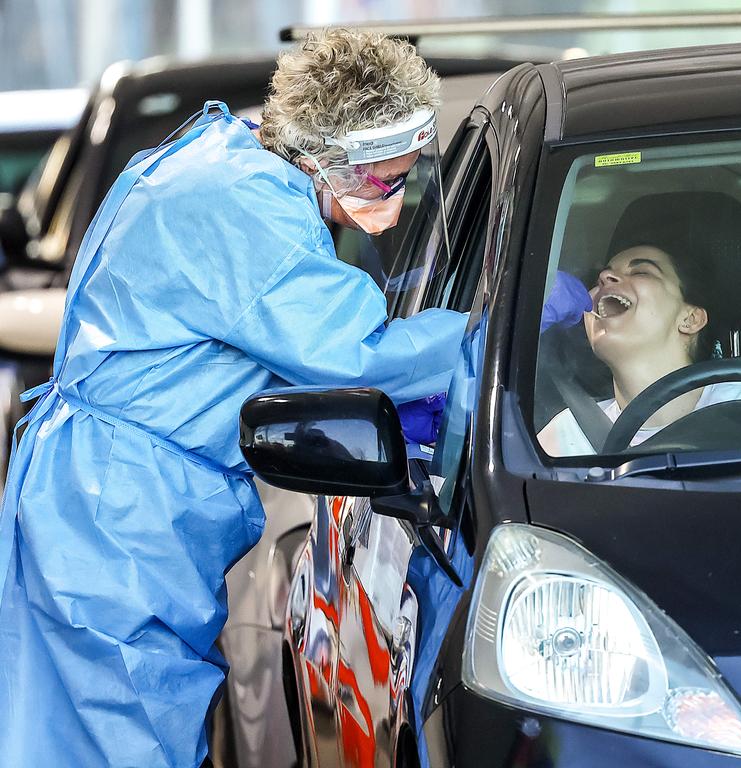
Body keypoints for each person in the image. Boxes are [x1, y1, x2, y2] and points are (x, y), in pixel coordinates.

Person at [0, 29, 465, 768]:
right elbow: (356, 352)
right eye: (386, 181)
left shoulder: (224, 155)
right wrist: (477, 339)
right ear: (330, 155)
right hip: (119, 516)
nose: (397, 207)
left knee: (61, 737)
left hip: (96, 496)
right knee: (119, 739)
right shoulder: (249, 210)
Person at [538, 242, 741, 456]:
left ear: (690, 319)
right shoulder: (563, 436)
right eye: (600, 277)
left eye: (641, 272)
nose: (605, 277)